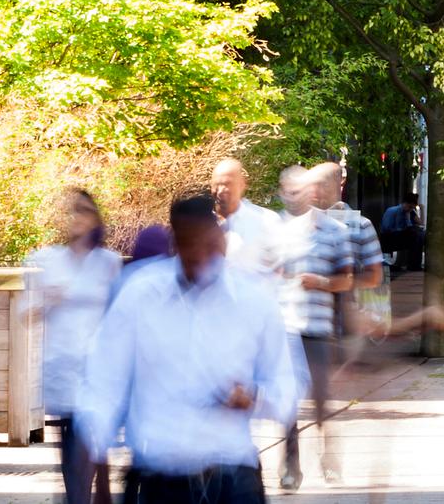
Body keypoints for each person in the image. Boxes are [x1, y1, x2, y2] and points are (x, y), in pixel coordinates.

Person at [79, 194, 303, 504]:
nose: (200, 255)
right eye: (189, 245)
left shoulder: (254, 302)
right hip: (159, 477)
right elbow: (103, 381)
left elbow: (287, 387)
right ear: (175, 245)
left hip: (232, 476)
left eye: (208, 244)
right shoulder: (140, 295)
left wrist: (254, 397)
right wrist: (99, 467)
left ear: (221, 241)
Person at [29, 189, 122, 504]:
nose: (76, 217)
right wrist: (45, 300)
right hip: (61, 368)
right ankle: (80, 497)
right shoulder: (47, 261)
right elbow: (25, 314)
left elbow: (119, 315)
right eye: (71, 211)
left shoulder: (108, 263)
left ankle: (84, 496)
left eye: (83, 210)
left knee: (85, 443)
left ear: (95, 217)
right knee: (70, 450)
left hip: (96, 369)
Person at [274, 165, 354, 490]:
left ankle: (330, 454)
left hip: (318, 328)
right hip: (285, 328)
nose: (293, 196)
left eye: (300, 190)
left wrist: (320, 282)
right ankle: (290, 466)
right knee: (287, 401)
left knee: (321, 399)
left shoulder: (334, 230)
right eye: (288, 190)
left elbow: (346, 280)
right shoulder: (274, 230)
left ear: (312, 192)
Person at [310, 163, 385, 352]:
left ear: (340, 183)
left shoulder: (360, 225)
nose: (316, 190)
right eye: (313, 184)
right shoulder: (301, 225)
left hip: (346, 326)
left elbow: (375, 277)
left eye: (323, 183)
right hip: (309, 324)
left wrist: (329, 283)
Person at [212, 158, 281, 273]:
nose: (220, 190)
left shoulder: (268, 221)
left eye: (227, 184)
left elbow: (278, 270)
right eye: (216, 184)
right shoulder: (201, 224)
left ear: (242, 184)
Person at [379, 194, 421, 274]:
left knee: (418, 235)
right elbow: (386, 228)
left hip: (398, 236)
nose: (410, 210)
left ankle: (414, 264)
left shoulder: (407, 213)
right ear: (405, 203)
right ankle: (412, 264)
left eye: (412, 208)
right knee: (413, 234)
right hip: (388, 237)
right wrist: (401, 229)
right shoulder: (392, 211)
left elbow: (410, 226)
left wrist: (408, 217)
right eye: (410, 207)